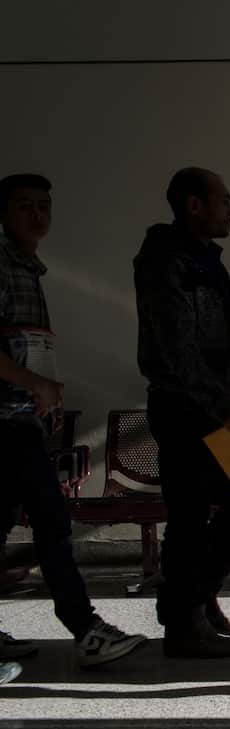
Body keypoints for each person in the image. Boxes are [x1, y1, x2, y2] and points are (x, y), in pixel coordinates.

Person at [0, 173, 148, 666]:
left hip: (23, 416)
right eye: (24, 206)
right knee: (51, 521)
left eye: (44, 206)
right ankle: (85, 629)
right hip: (6, 418)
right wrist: (32, 383)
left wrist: (42, 390)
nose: (38, 215)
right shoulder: (2, 265)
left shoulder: (28, 268)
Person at [134, 167, 230, 658]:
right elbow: (176, 349)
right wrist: (225, 405)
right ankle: (184, 622)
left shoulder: (202, 260)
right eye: (223, 200)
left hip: (210, 405)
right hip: (183, 408)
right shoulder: (165, 261)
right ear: (194, 205)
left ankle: (193, 598)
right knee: (189, 516)